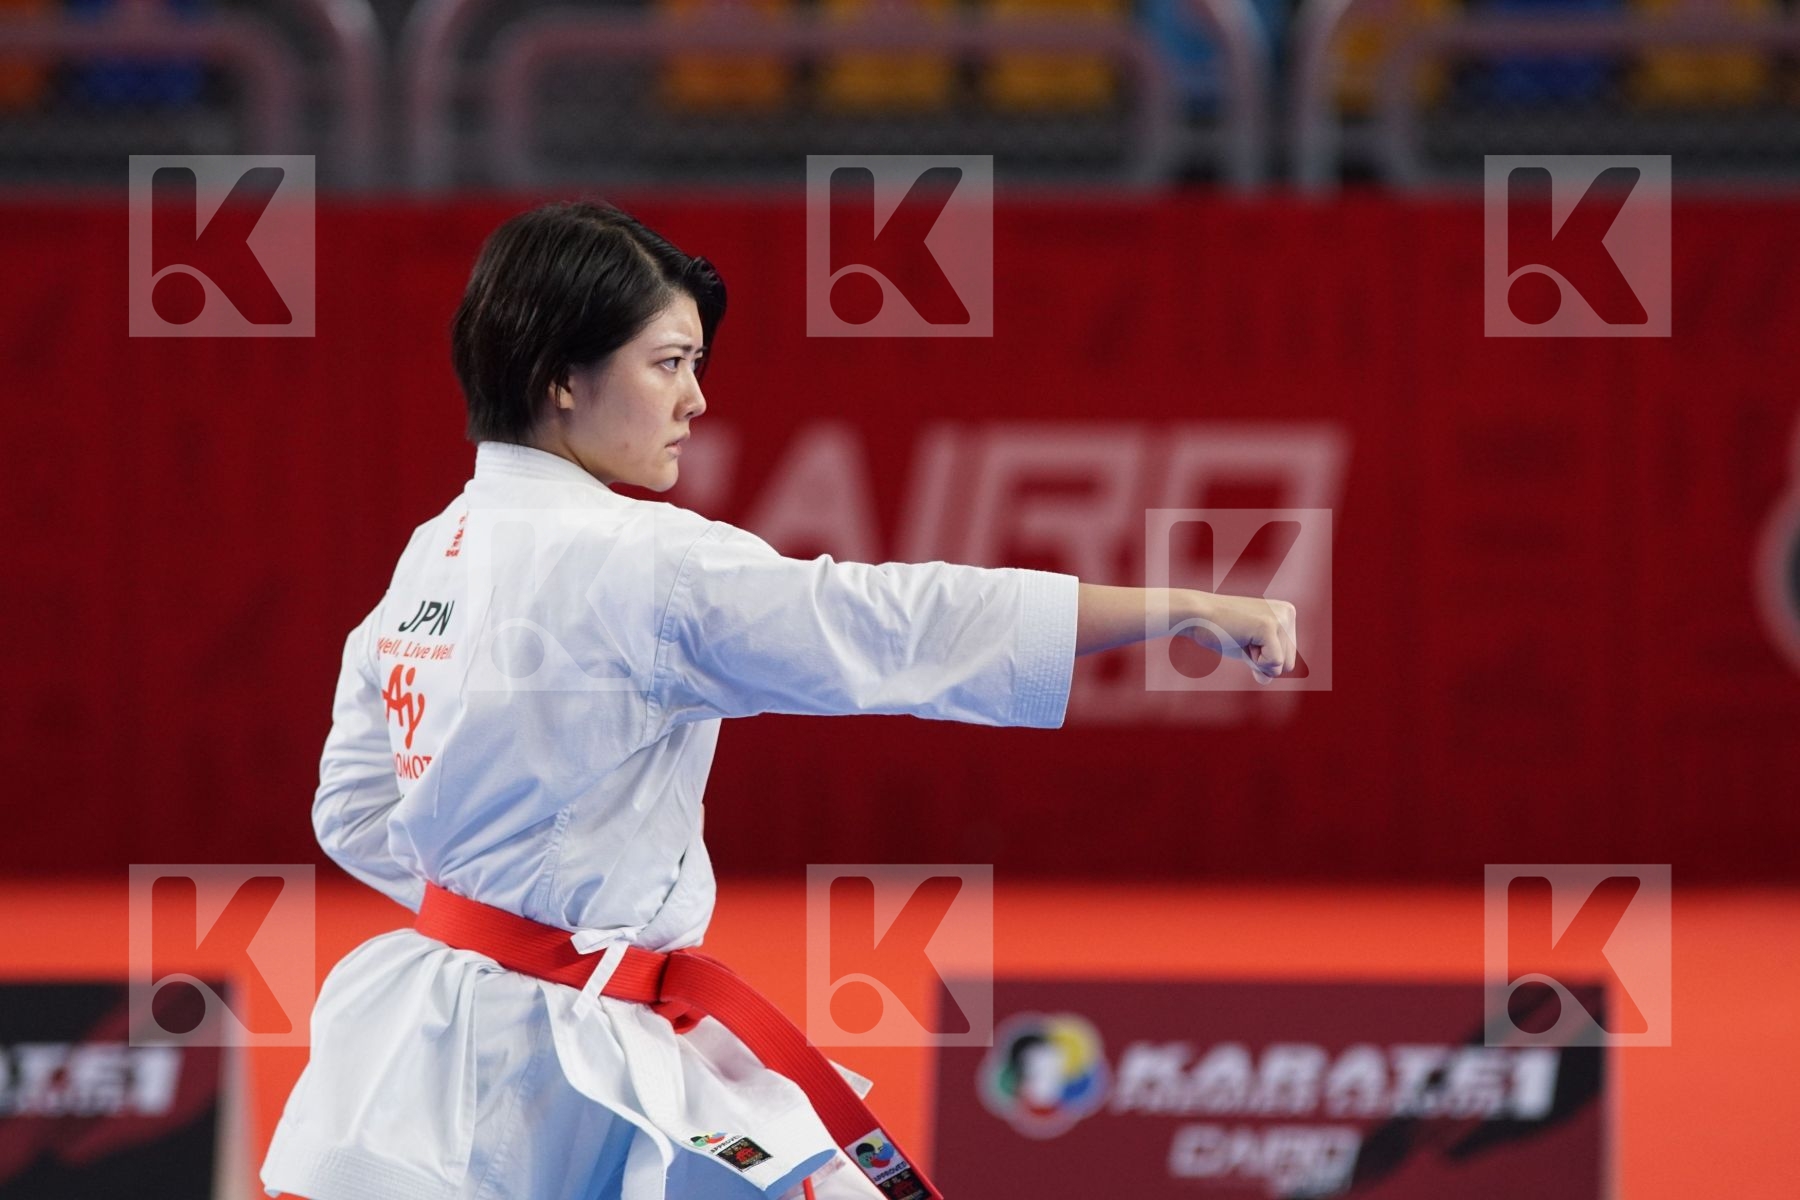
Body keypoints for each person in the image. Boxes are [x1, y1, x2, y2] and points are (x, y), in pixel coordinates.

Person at [260, 200, 1297, 1200]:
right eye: (668, 364)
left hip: (412, 1050)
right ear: (560, 381)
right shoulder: (641, 561)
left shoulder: (434, 551)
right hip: (554, 1062)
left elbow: (351, 809)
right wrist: (1165, 606)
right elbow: (890, 625)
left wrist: (491, 913)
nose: (696, 401)